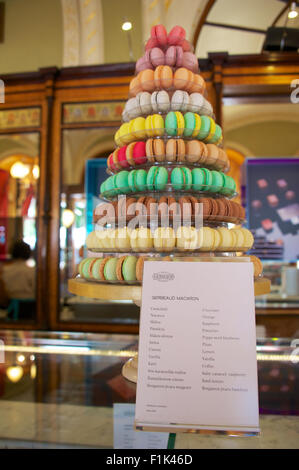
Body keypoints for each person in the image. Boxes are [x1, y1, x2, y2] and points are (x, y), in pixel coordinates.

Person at [0, 240, 36, 319]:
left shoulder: (4, 270)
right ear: (28, 253)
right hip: (31, 310)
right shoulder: (33, 271)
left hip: (9, 308)